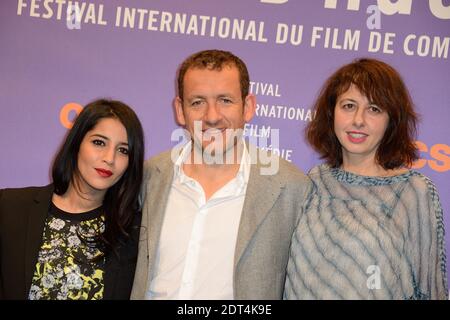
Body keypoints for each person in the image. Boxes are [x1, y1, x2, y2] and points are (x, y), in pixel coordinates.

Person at [131, 49, 311, 300]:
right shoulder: (149, 177)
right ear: (180, 110)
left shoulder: (291, 188)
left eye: (225, 100)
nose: (212, 116)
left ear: (247, 107)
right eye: (197, 102)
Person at [284, 58, 448, 300]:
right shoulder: (315, 182)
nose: (358, 120)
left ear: (391, 119)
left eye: (374, 109)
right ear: (332, 113)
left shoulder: (413, 192)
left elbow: (431, 292)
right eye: (349, 105)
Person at [0, 99, 145, 300]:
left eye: (123, 150)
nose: (109, 158)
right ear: (76, 143)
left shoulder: (134, 232)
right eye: (99, 142)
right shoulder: (10, 207)